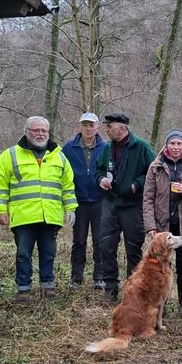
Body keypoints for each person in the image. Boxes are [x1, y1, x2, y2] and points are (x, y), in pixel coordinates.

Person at [0, 116, 77, 302]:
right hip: (23, 216)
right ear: (26, 132)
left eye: (43, 131)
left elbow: (67, 185)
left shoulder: (59, 156)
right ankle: (23, 289)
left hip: (50, 216)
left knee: (48, 253)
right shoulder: (10, 155)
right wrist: (0, 210)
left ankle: (48, 286)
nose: (40, 133)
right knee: (23, 253)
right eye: (35, 130)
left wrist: (70, 208)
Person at [143, 128, 182, 318]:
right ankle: (160, 304)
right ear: (167, 145)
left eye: (179, 143)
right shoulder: (156, 166)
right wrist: (150, 226)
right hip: (162, 228)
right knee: (159, 268)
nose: (176, 147)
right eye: (172, 143)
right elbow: (147, 198)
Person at [95, 113, 156, 302]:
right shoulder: (107, 148)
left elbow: (155, 172)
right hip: (110, 204)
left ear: (122, 128)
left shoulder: (142, 147)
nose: (106, 129)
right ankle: (110, 289)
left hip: (133, 205)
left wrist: (136, 184)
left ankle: (134, 291)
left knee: (133, 248)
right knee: (106, 245)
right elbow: (99, 170)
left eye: (109, 126)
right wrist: (101, 180)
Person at [62, 112, 106, 288]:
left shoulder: (106, 147)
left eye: (91, 125)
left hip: (100, 201)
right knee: (79, 240)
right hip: (78, 201)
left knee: (100, 240)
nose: (88, 129)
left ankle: (99, 277)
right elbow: (61, 174)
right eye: (85, 125)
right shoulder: (68, 148)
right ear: (80, 127)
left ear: (97, 127)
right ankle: (76, 277)